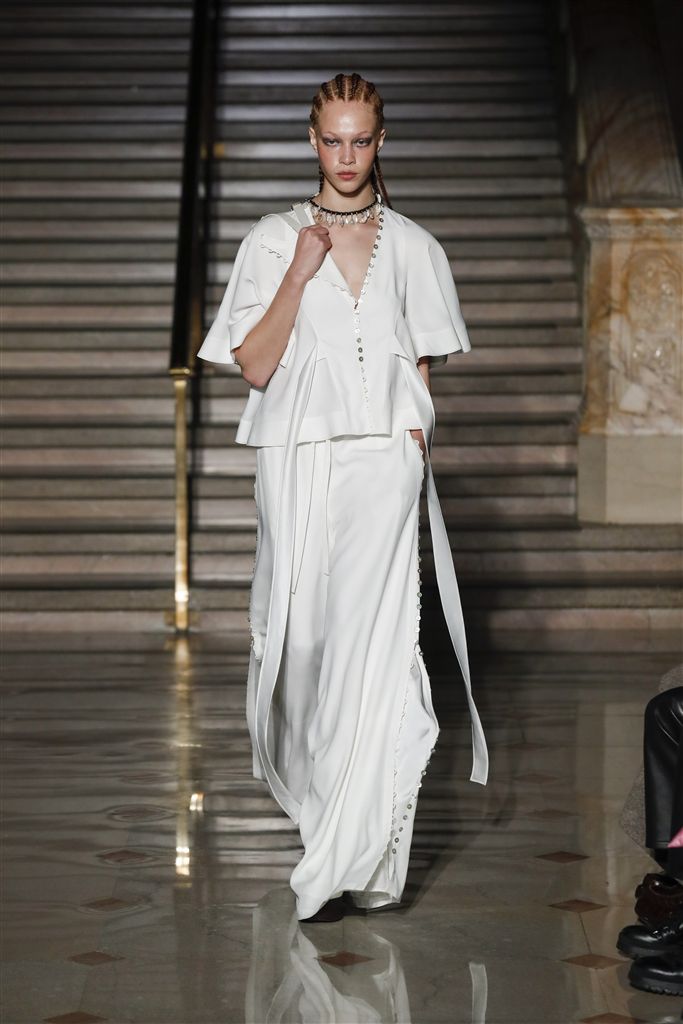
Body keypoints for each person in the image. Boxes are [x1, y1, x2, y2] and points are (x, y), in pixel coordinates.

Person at [197, 72, 489, 923]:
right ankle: (327, 823)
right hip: (296, 462)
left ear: (380, 141)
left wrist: (415, 443)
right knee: (304, 652)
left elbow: (419, 366)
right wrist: (299, 273)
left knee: (371, 653)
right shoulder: (271, 240)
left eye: (361, 140)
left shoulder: (415, 247)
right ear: (312, 141)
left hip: (383, 466)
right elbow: (255, 367)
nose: (347, 156)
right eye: (333, 140)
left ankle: (343, 861)